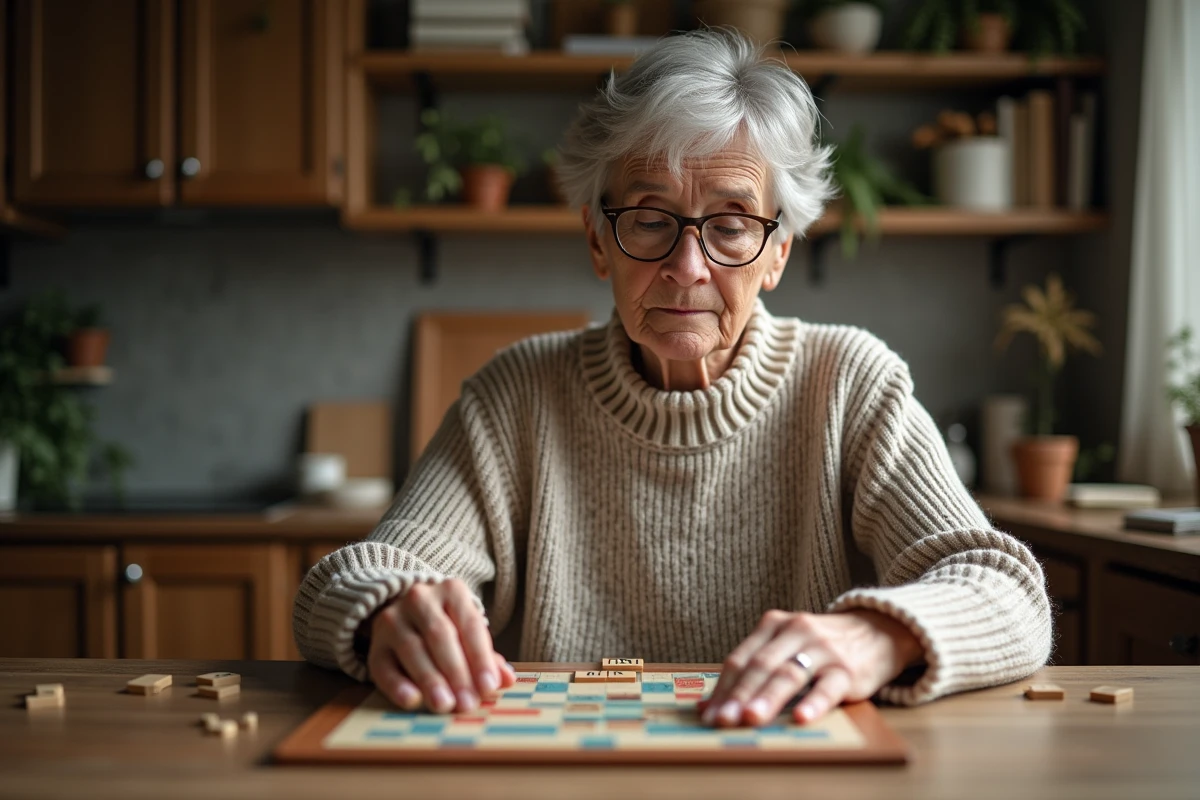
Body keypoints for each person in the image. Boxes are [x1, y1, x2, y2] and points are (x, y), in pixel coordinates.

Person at [293, 29, 1051, 729]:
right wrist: (388, 610)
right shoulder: (515, 395)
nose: (688, 268)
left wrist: (874, 636)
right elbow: (350, 579)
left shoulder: (851, 384)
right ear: (599, 241)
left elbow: (1008, 595)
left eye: (729, 225)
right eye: (651, 220)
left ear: (777, 252)